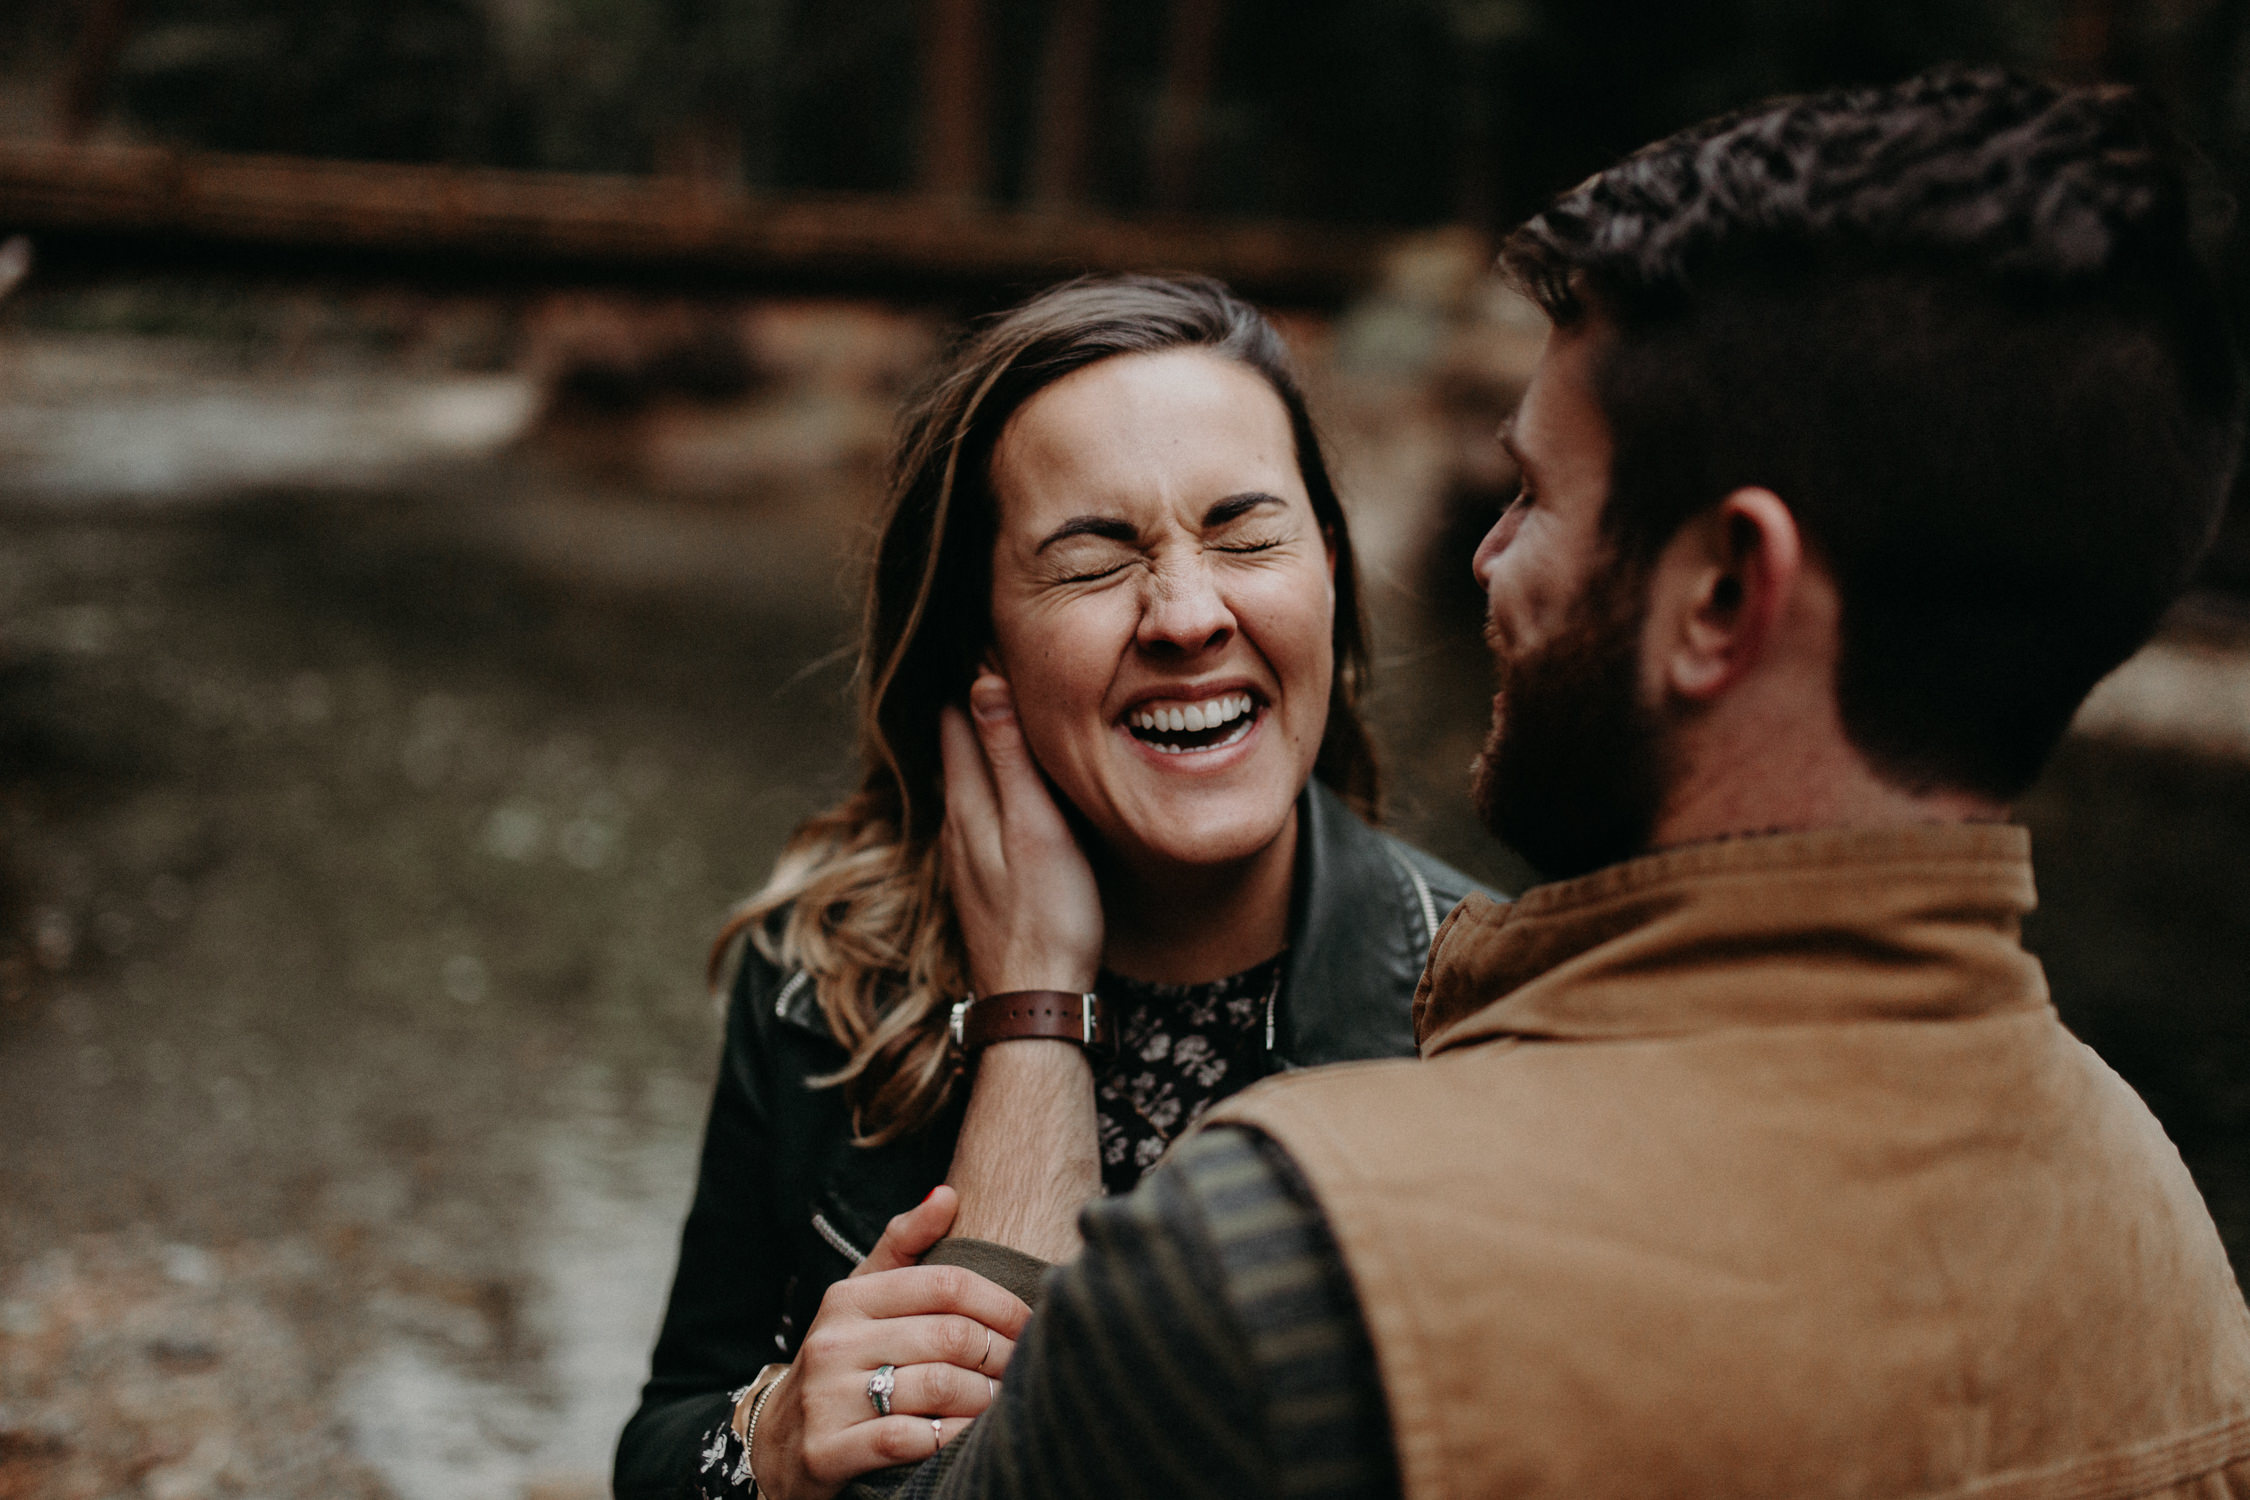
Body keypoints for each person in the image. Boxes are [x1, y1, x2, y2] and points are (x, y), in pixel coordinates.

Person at [864, 67, 2250, 1500]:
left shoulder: (1284, 1253)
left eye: (1532, 498)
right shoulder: (2158, 1231)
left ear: (1720, 594)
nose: (1484, 563)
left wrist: (1031, 1024)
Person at [611, 276, 1494, 1500]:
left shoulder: (1491, 1024)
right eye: (1093, 561)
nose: (1189, 613)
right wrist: (760, 1448)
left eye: (1247, 535)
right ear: (984, 641)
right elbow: (664, 1439)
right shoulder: (826, 974)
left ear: (1331, 574)